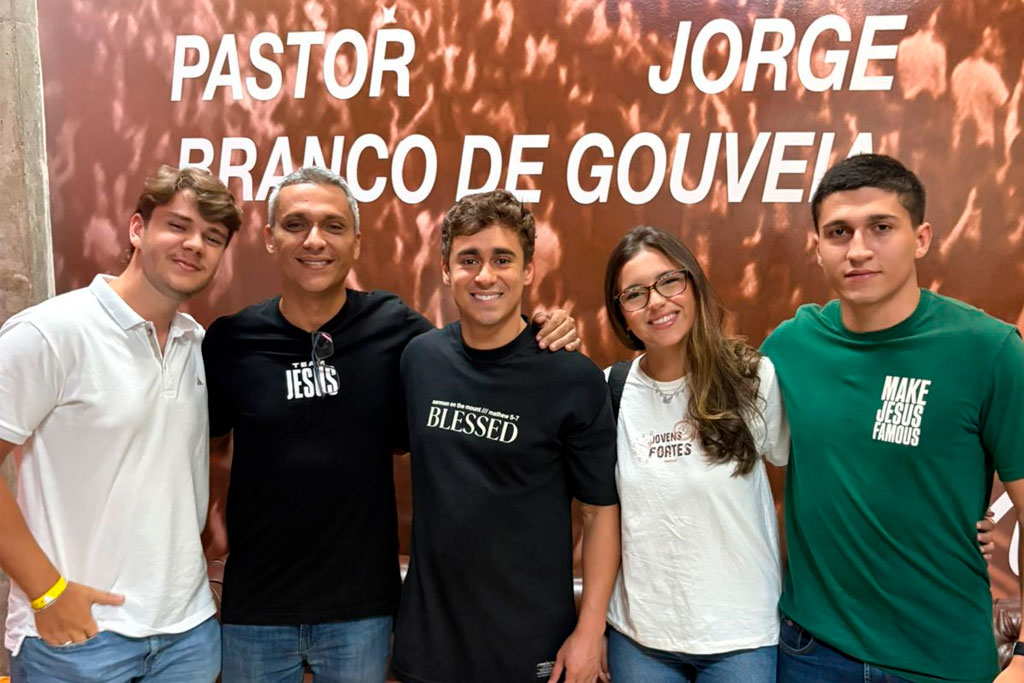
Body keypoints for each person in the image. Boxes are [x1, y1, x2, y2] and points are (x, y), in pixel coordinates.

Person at [202, 168, 580, 683]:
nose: (314, 240)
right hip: (255, 611)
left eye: (333, 226)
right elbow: (192, 452)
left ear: (356, 242)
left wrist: (542, 327)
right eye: (295, 224)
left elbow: (480, 354)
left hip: (363, 613)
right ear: (269, 238)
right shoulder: (231, 340)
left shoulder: (397, 330)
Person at [762, 154, 1024, 683]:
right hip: (814, 651)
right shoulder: (790, 346)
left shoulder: (989, 350)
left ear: (921, 238)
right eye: (838, 232)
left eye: (881, 227)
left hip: (944, 656)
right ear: (817, 248)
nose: (858, 249)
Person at [0, 166, 241, 682]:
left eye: (212, 237)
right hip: (77, 640)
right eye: (178, 225)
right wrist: (47, 593)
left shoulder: (198, 346)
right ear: (137, 228)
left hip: (188, 639)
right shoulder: (50, 333)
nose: (194, 244)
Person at [392, 189, 621, 683]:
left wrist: (590, 631)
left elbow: (601, 513)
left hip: (531, 646)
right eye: (468, 259)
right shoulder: (419, 360)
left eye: (502, 259)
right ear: (446, 269)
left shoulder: (572, 377)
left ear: (528, 269)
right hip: (429, 645)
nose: (485, 276)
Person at [600, 226, 788, 683]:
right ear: (622, 314)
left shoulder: (752, 378)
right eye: (635, 294)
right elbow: (598, 515)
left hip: (741, 637)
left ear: (694, 285)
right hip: (639, 639)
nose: (656, 302)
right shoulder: (610, 390)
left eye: (669, 281)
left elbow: (810, 474)